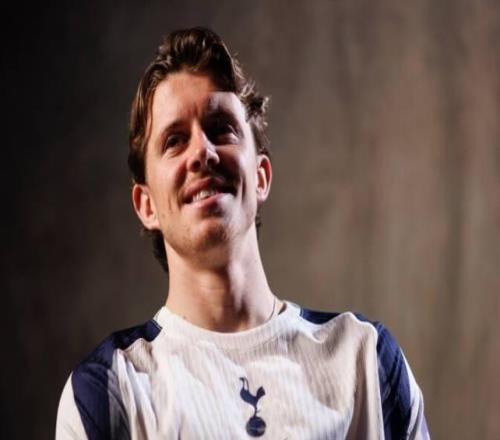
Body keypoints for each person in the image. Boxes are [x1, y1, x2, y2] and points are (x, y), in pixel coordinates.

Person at [56, 27, 430, 439]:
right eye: (175, 141)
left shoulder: (366, 361)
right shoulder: (111, 391)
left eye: (221, 129)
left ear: (261, 175)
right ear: (146, 205)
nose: (202, 152)